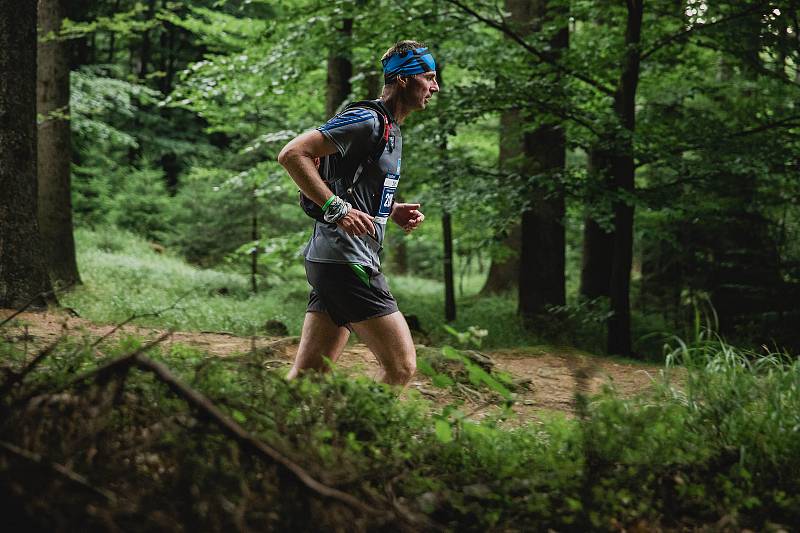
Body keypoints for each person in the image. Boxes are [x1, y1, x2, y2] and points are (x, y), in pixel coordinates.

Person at [277, 40, 439, 386]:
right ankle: (358, 436)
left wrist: (391, 210)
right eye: (429, 77)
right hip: (347, 261)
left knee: (308, 376)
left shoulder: (391, 131)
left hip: (333, 261)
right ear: (405, 80)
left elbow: (350, 184)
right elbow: (292, 154)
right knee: (402, 367)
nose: (435, 87)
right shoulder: (367, 120)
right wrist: (336, 209)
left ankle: (265, 436)